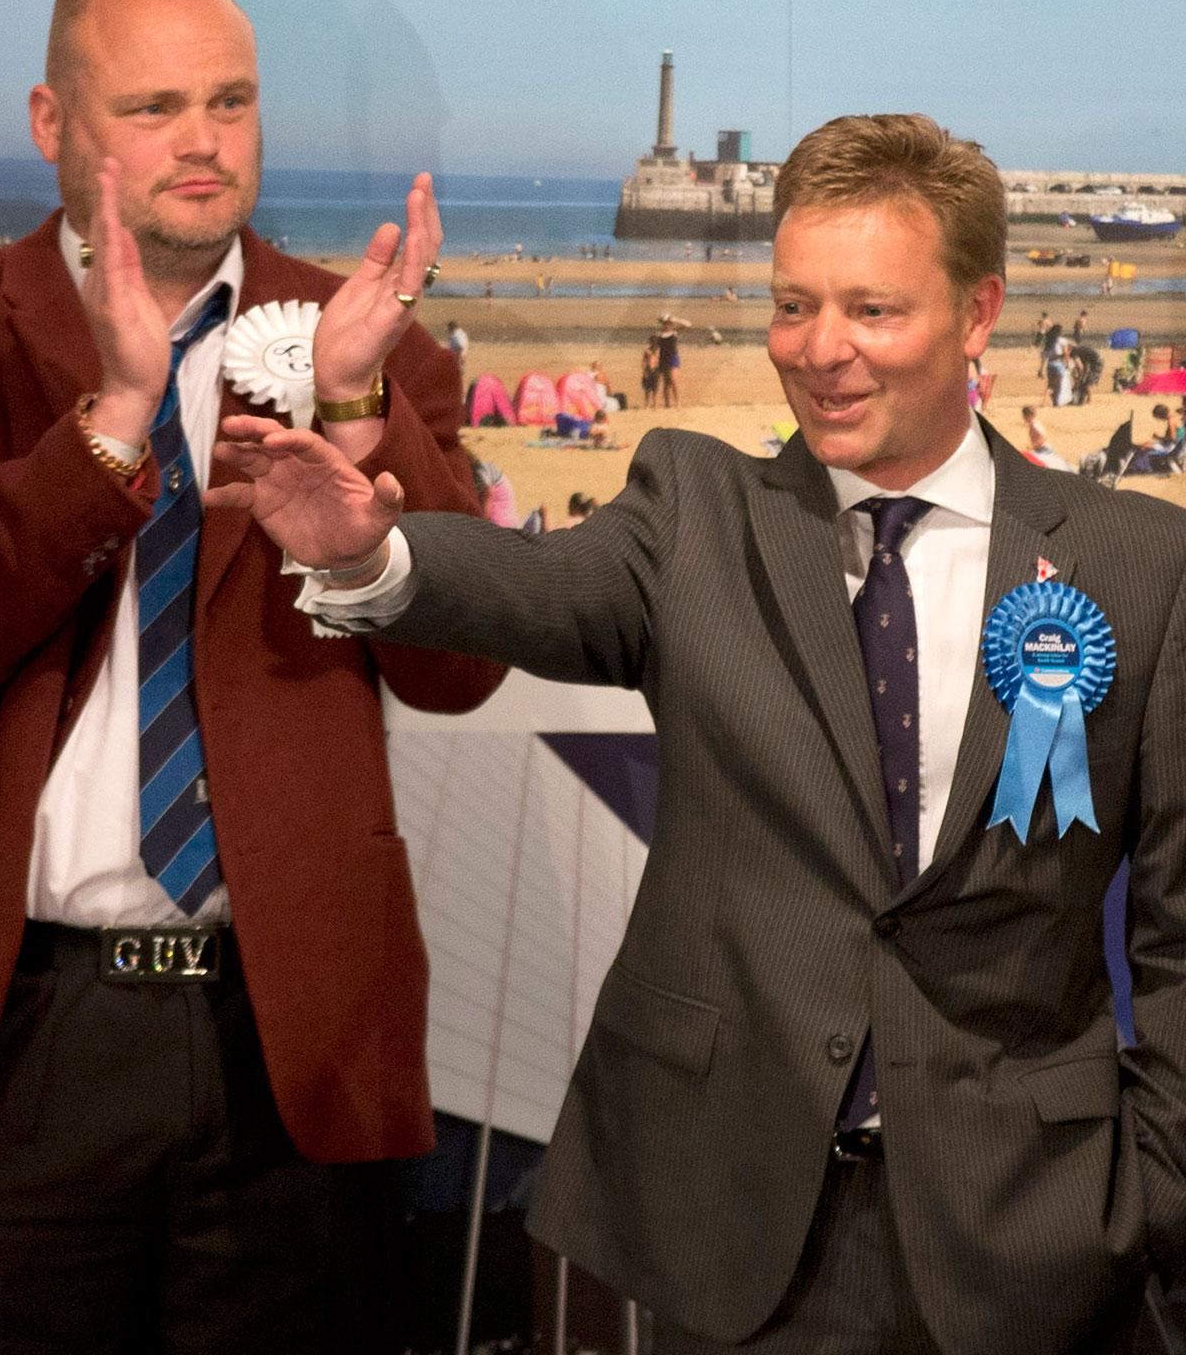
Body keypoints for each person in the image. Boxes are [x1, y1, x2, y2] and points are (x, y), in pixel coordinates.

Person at [208, 113, 1186, 1355]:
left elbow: (1177, 937)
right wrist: (374, 553)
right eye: (792, 306)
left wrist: (1151, 1203)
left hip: (1035, 1245)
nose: (818, 351)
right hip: (739, 1238)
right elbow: (530, 586)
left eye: (871, 312)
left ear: (978, 312)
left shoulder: (1136, 570)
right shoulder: (692, 511)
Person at [0, 0, 502, 1354]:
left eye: (232, 102)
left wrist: (366, 417)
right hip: (25, 1034)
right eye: (155, 107)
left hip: (288, 1030)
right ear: (52, 124)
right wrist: (119, 416)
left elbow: (459, 668)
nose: (204, 141)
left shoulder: (361, 341)